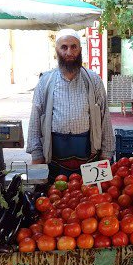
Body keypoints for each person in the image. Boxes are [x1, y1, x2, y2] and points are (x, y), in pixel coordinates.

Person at [27, 29, 115, 180]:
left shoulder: (93, 80)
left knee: (92, 199)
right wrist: (36, 157)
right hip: (54, 158)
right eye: (64, 47)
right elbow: (35, 120)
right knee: (55, 200)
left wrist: (106, 156)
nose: (69, 52)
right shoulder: (45, 81)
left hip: (90, 157)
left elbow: (104, 119)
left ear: (80, 50)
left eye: (74, 47)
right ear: (57, 50)